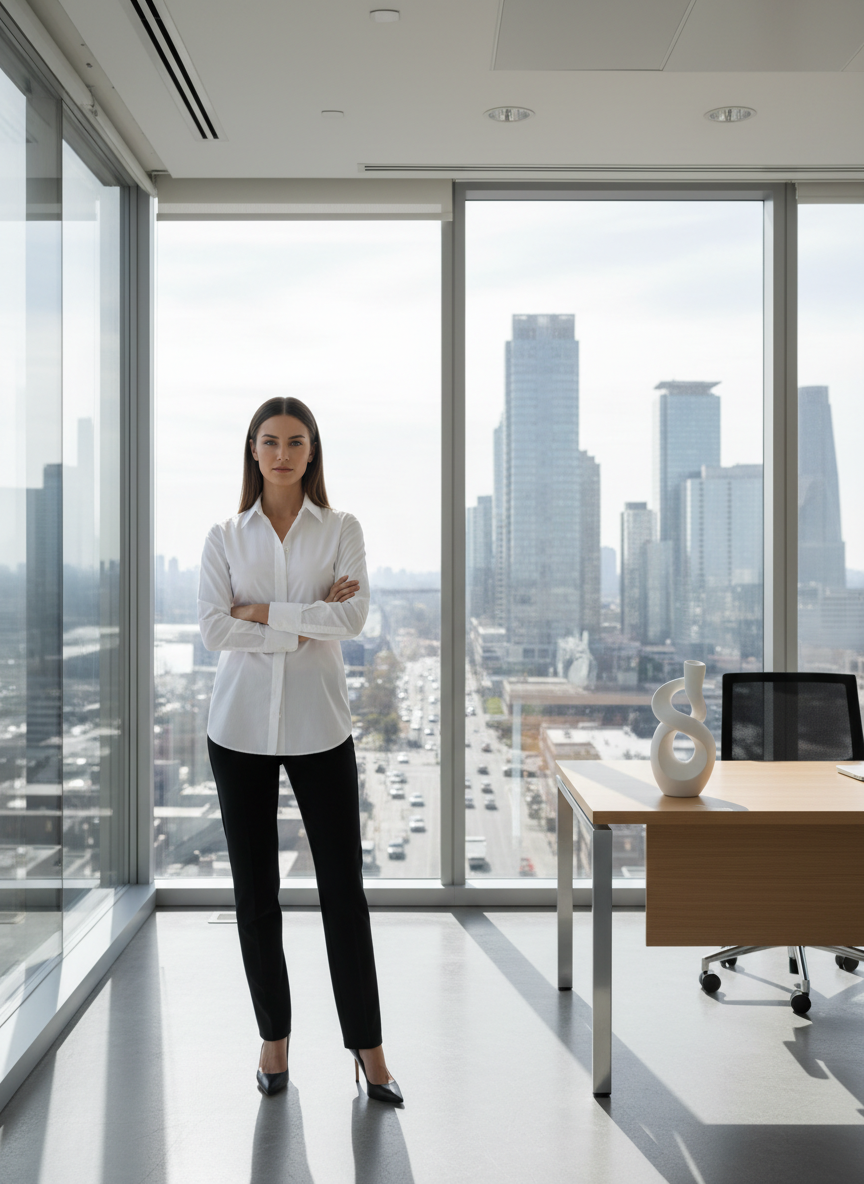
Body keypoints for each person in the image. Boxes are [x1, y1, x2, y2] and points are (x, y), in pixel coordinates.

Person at [197, 395, 402, 1104]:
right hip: (239, 732)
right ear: (253, 451)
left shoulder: (341, 527)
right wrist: (300, 624)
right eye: (269, 441)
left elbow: (351, 616)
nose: (282, 452)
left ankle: (368, 1050)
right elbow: (214, 633)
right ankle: (274, 1041)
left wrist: (259, 612)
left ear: (312, 452)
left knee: (343, 893)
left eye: (295, 441)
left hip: (321, 728)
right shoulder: (226, 535)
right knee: (257, 896)